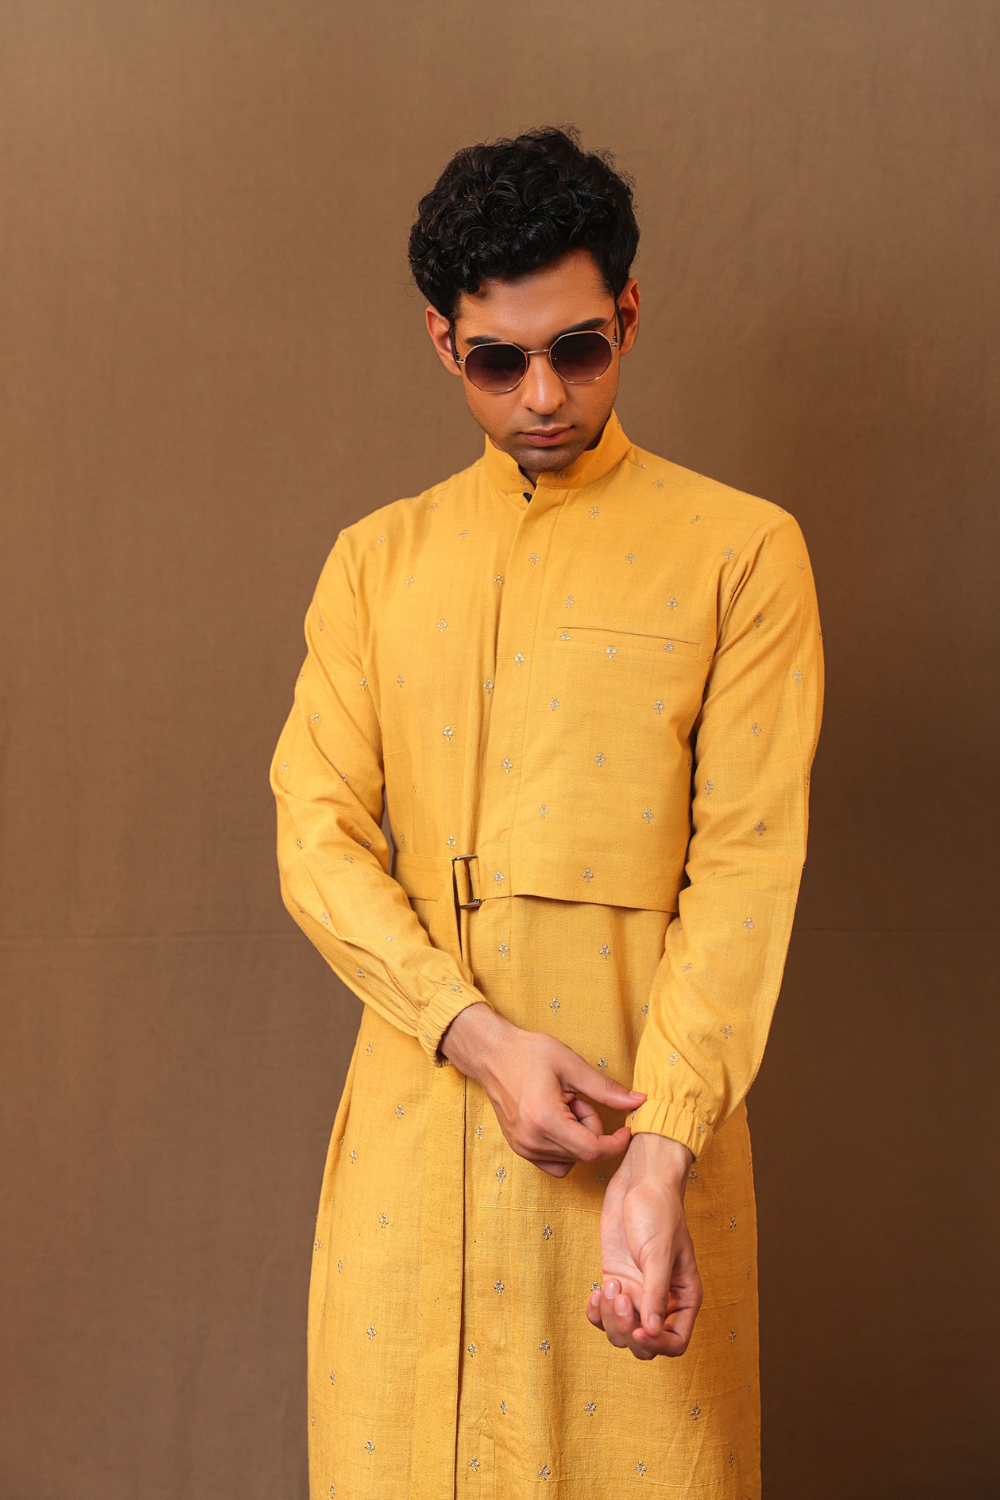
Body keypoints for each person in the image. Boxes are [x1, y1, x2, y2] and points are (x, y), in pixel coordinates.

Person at [270, 125, 823, 1500]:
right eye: (498, 362)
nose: (543, 396)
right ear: (442, 343)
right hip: (417, 1139)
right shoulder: (373, 565)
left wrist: (665, 1146)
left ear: (628, 314)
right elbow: (316, 837)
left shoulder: (741, 553)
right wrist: (474, 1035)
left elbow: (746, 875)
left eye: (578, 350)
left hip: (638, 1153)